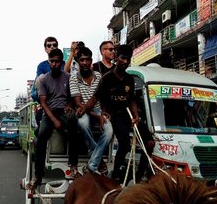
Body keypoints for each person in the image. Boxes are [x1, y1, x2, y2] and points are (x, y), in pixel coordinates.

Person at [86, 45, 139, 183]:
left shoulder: (130, 79)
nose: (126, 62)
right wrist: (84, 108)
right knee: (125, 144)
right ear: (116, 58)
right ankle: (115, 174)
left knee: (150, 142)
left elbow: (132, 99)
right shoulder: (107, 77)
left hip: (126, 115)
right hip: (112, 115)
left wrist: (136, 115)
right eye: (123, 58)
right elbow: (95, 97)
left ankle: (138, 177)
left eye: (128, 59)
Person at [30, 49, 80, 188]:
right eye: (52, 61)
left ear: (61, 62)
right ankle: (38, 176)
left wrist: (69, 105)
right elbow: (43, 102)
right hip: (49, 112)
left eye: (57, 61)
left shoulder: (68, 77)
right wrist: (55, 121)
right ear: (49, 62)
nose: (54, 64)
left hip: (64, 110)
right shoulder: (44, 79)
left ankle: (73, 165)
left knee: (74, 125)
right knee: (40, 137)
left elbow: (72, 96)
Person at [69, 47, 113, 175]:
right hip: (82, 110)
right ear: (78, 62)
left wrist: (102, 112)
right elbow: (78, 103)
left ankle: (92, 164)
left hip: (96, 109)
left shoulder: (99, 76)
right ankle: (98, 159)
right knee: (82, 123)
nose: (84, 62)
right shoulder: (73, 78)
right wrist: (96, 115)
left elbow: (99, 98)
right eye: (81, 60)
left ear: (91, 61)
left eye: (87, 59)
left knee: (109, 130)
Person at [31, 36, 65, 126]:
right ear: (45, 49)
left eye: (54, 45)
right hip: (47, 97)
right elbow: (40, 83)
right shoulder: (42, 65)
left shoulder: (64, 64)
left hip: (62, 98)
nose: (52, 47)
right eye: (49, 46)